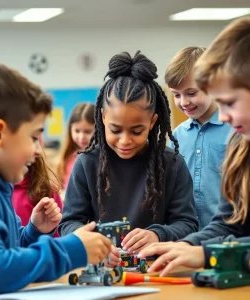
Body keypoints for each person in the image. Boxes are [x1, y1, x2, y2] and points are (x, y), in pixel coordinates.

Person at [0, 63, 111, 299]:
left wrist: (32, 233)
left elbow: (7, 254)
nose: (38, 150)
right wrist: (71, 250)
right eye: (34, 137)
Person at [58, 51, 198, 266]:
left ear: (152, 122)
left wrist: (158, 235)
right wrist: (91, 242)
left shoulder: (172, 164)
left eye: (136, 131)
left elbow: (187, 223)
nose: (124, 141)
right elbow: (69, 223)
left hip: (156, 268)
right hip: (103, 267)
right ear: (103, 118)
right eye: (115, 130)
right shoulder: (86, 163)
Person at [138, 17, 250, 276]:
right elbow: (229, 223)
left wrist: (206, 253)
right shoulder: (242, 149)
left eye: (230, 103)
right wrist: (187, 246)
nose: (222, 118)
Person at [165, 46, 232, 229]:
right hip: (189, 236)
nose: (184, 102)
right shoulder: (177, 135)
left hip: (230, 235)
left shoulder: (235, 130)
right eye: (176, 95)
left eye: (191, 93)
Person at [13, 133, 63, 237]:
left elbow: (58, 236)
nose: (39, 150)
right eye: (33, 139)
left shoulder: (45, 190)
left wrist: (37, 230)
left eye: (37, 139)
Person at [57, 103, 95, 190]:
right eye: (77, 131)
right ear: (70, 129)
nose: (81, 137)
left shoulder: (100, 159)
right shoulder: (68, 158)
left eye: (88, 131)